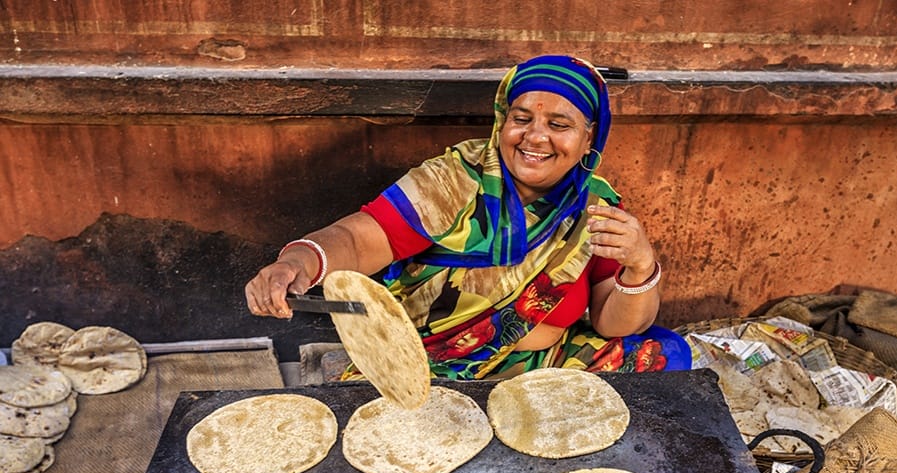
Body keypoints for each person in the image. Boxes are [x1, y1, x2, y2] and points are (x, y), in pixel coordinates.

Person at [245, 54, 691, 379]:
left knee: (667, 354)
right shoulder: (453, 181)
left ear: (589, 137)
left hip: (540, 364)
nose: (535, 137)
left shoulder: (597, 207)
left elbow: (613, 323)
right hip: (435, 363)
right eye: (521, 118)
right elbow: (360, 239)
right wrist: (296, 264)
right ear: (501, 121)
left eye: (559, 125)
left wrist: (640, 265)